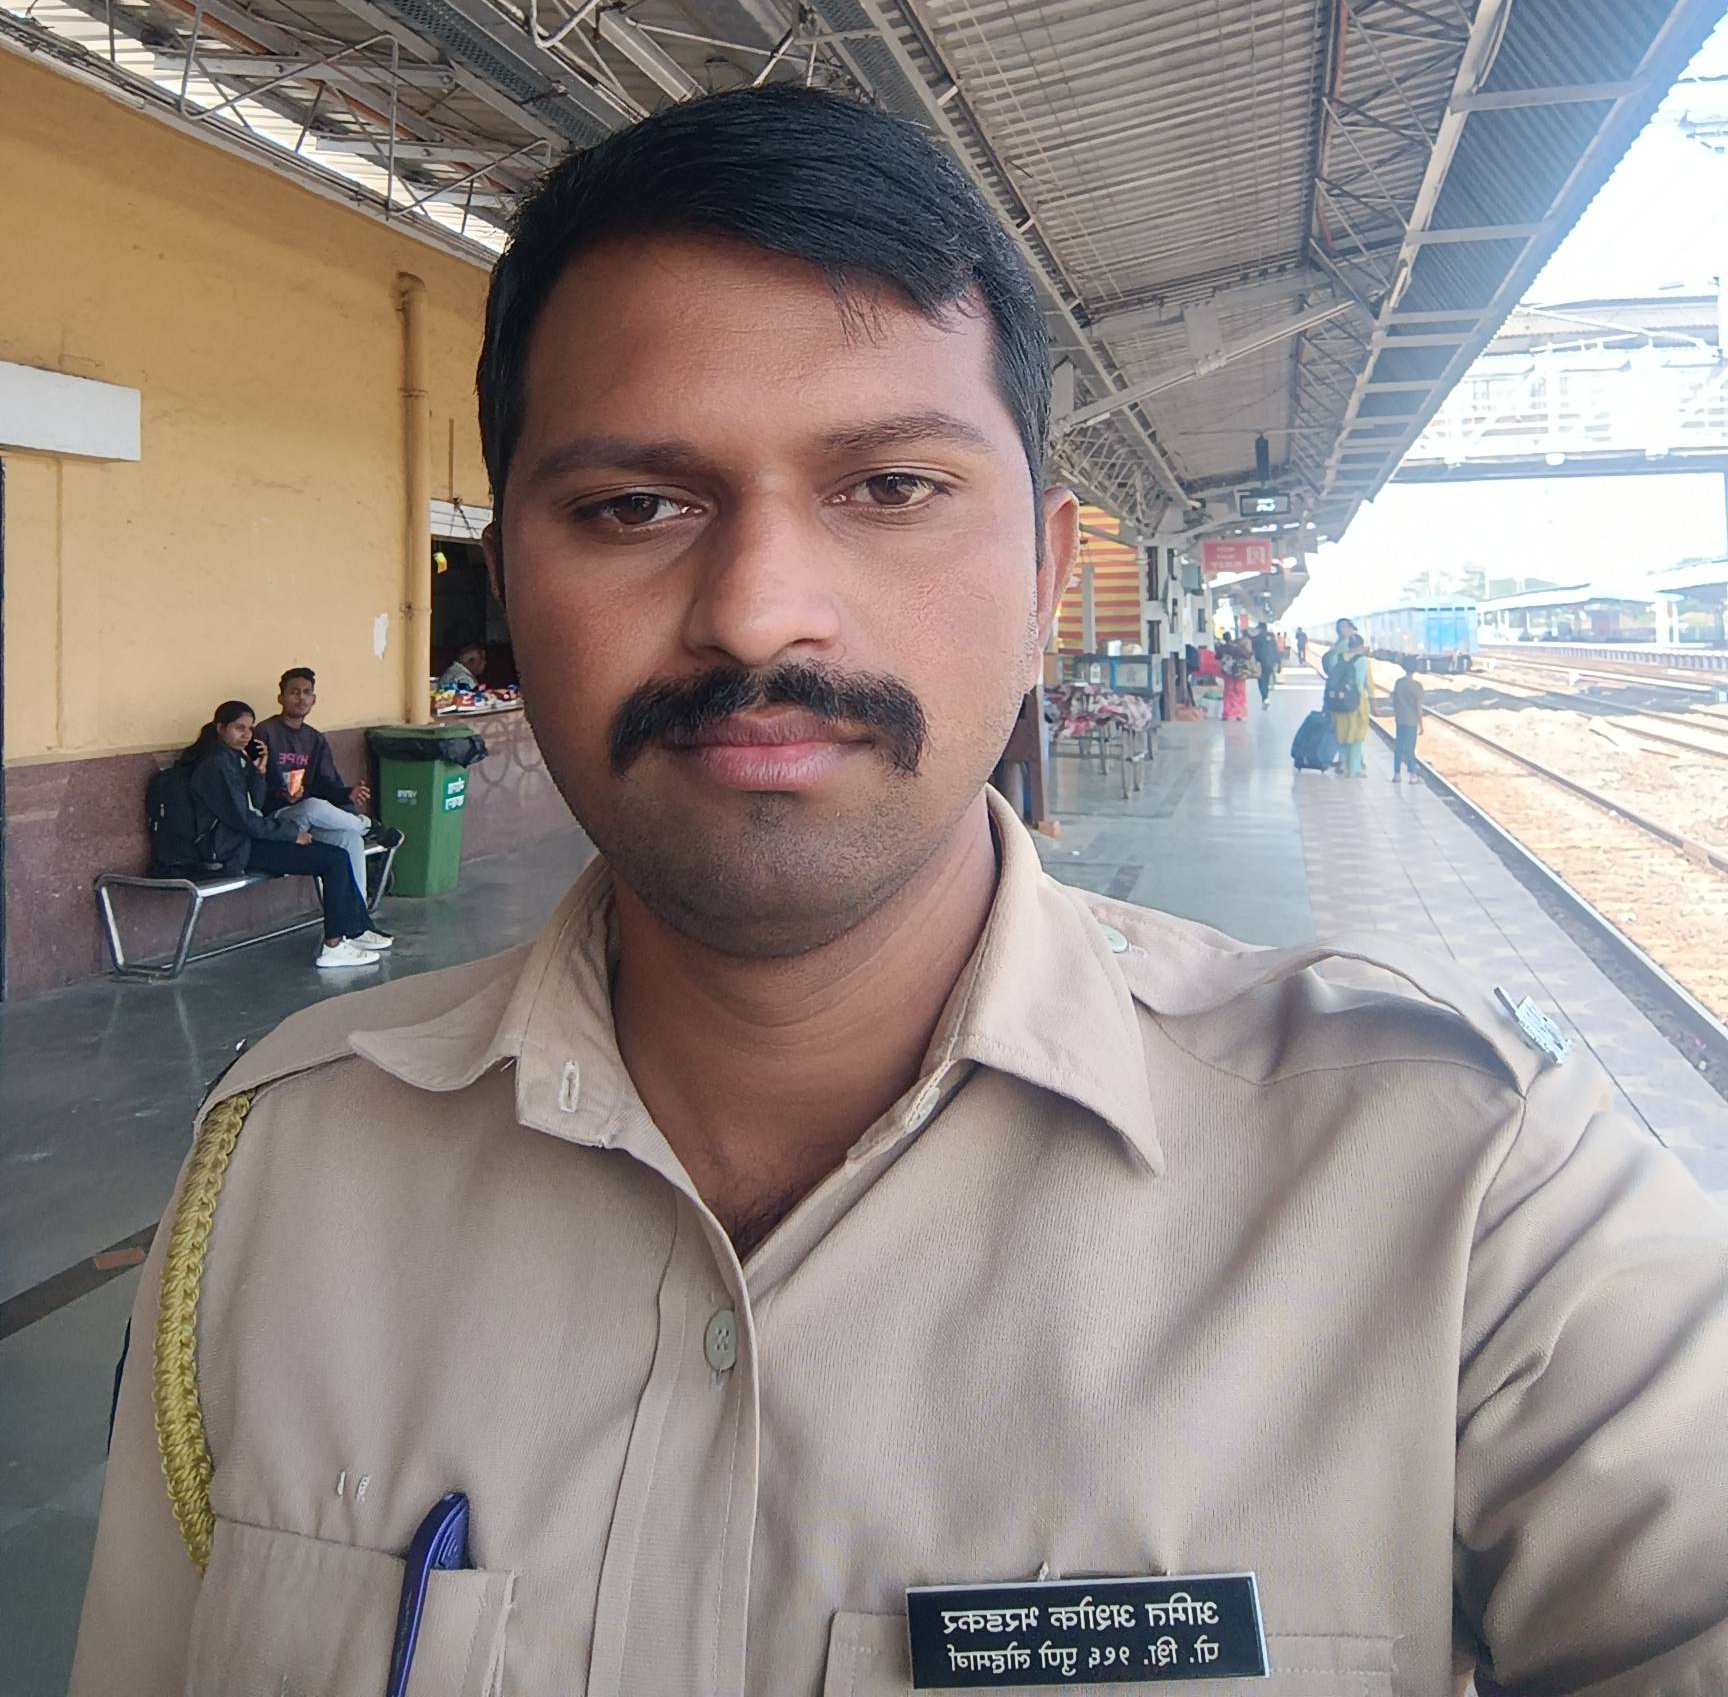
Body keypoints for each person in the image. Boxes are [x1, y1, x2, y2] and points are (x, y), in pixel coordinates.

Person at [76, 87, 1728, 1697]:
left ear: (1042, 577)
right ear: (506, 594)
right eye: (632, 506)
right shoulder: (278, 1178)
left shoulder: (1469, 1193)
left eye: (888, 488)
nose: (757, 611)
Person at [179, 701, 386, 969]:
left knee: (336, 854)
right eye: (239, 728)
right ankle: (334, 946)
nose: (246, 735)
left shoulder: (234, 759)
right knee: (333, 860)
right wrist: (290, 834)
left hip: (249, 841)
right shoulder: (215, 766)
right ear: (220, 728)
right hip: (234, 849)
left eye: (249, 729)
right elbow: (243, 820)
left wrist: (259, 771)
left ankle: (354, 931)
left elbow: (255, 804)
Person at [255, 667, 400, 918]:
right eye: (294, 692)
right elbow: (251, 780)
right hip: (276, 820)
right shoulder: (263, 732)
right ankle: (367, 826)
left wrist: (347, 794)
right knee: (313, 806)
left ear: (314, 699)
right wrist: (278, 793)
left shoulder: (315, 739)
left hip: (308, 821)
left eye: (307, 692)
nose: (301, 698)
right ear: (281, 698)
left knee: (349, 839)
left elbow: (325, 784)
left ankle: (357, 918)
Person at [1327, 630, 1372, 776]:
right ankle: (1355, 769)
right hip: (1356, 703)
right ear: (1361, 646)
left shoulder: (1337, 658)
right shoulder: (1363, 660)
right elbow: (1367, 684)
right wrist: (1373, 701)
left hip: (1338, 703)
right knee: (1356, 737)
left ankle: (1344, 765)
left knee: (1342, 735)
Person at [1391, 655, 1425, 785]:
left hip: (1400, 720)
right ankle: (1412, 775)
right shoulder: (1417, 686)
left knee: (1399, 747)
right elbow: (1418, 708)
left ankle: (1397, 775)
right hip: (1411, 722)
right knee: (1410, 749)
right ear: (1415, 668)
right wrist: (1421, 725)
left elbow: (1394, 700)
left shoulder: (1398, 683)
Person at [1218, 630, 1250, 720]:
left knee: (1228, 692)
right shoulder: (1236, 648)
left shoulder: (1221, 648)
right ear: (1230, 638)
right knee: (1239, 692)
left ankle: (1227, 714)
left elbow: (1217, 657)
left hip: (1227, 673)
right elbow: (1246, 656)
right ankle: (1239, 713)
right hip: (1238, 673)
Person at [1250, 621, 1278, 708]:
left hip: (1260, 662)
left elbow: (1252, 649)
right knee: (1266, 680)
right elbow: (1275, 649)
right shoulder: (1271, 635)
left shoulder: (1256, 637)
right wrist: (1278, 662)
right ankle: (1265, 698)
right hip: (1270, 662)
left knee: (1261, 681)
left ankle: (1265, 698)